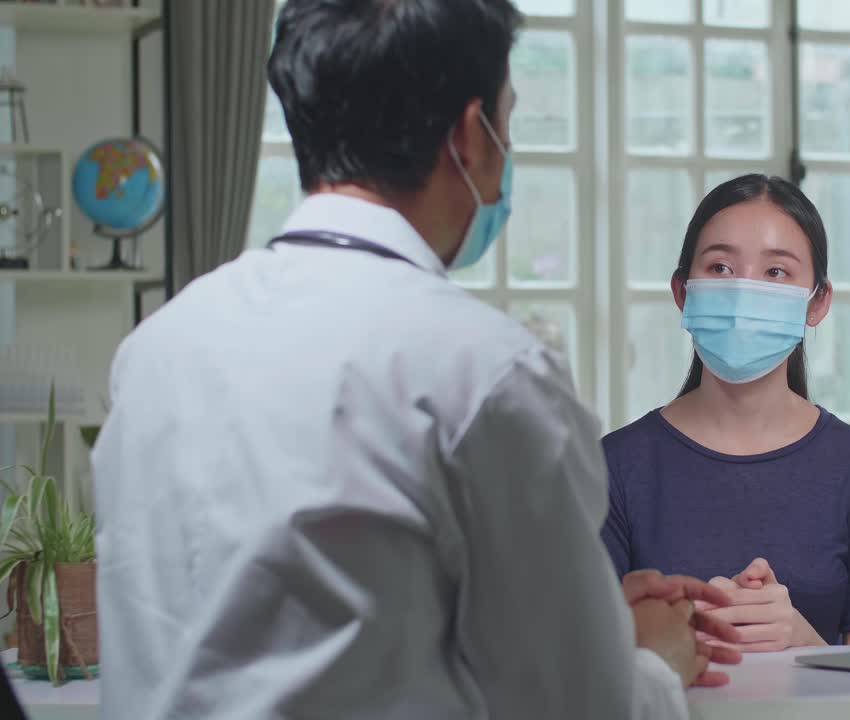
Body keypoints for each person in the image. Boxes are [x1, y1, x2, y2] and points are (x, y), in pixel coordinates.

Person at [91, 2, 739, 718]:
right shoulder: (485, 375)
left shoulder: (157, 350)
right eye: (508, 117)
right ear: (471, 134)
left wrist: (585, 610)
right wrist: (649, 660)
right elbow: (579, 707)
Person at [601, 174, 850, 651]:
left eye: (776, 273)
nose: (744, 292)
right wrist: (688, 634)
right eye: (722, 267)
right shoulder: (614, 466)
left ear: (819, 302)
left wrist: (801, 642)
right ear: (683, 292)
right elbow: (578, 667)